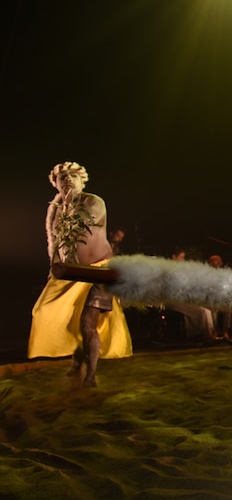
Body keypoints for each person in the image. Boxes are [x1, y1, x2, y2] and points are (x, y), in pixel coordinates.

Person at [28, 162, 132, 387]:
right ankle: (77, 360)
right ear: (55, 183)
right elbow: (54, 242)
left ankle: (91, 374)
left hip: (98, 271)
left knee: (87, 322)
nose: (66, 180)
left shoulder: (94, 201)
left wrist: (68, 204)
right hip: (72, 273)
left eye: (72, 176)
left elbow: (82, 222)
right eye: (61, 177)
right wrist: (53, 269)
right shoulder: (54, 210)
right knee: (61, 317)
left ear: (82, 180)